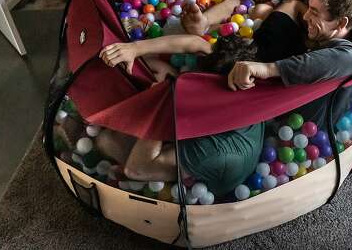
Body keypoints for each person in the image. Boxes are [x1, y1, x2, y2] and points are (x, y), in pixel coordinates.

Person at [98, 35, 262, 194]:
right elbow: (195, 43)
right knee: (160, 69)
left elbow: (135, 170)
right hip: (210, 130)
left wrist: (162, 104)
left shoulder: (215, 152)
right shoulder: (243, 80)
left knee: (107, 141)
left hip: (207, 165)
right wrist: (134, 48)